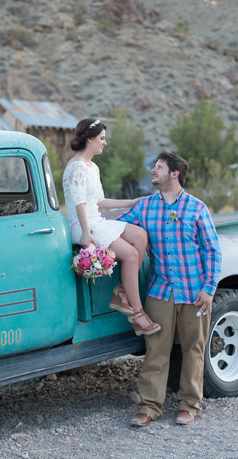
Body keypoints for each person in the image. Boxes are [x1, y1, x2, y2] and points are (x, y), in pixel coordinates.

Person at [118, 152, 222, 427]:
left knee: (194, 349)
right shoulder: (145, 207)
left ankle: (189, 404)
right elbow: (118, 227)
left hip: (194, 291)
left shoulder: (197, 208)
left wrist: (209, 288)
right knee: (156, 349)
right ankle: (149, 406)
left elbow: (212, 250)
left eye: (159, 167)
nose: (153, 171)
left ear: (174, 174)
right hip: (160, 290)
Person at [62, 118, 160, 335]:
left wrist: (130, 201)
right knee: (132, 255)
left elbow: (98, 202)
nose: (105, 143)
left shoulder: (93, 167)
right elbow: (79, 203)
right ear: (89, 139)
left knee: (141, 236)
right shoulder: (77, 166)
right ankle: (137, 313)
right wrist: (86, 234)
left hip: (95, 219)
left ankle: (123, 293)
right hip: (82, 224)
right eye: (102, 138)